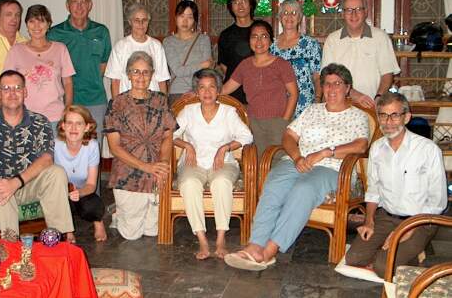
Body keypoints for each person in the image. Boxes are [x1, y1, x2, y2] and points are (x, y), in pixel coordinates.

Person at [225, 63, 369, 271]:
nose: (331, 89)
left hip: (334, 167)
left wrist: (325, 152)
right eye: (327, 84)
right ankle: (255, 244)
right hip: (300, 162)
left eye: (337, 84)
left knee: (304, 189)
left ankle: (269, 251)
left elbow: (361, 144)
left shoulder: (357, 115)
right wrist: (297, 157)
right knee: (274, 182)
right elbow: (289, 136)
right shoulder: (312, 110)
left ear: (347, 88)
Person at [345, 92, 447, 278]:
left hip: (419, 221)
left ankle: (414, 249)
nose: (388, 121)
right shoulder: (377, 148)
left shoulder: (428, 149)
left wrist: (406, 230)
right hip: (387, 216)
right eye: (383, 115)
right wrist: (369, 221)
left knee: (383, 267)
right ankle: (398, 248)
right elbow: (374, 190)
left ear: (406, 117)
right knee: (353, 258)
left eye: (394, 115)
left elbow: (437, 201)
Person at [0, 70, 75, 241]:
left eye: (17, 88)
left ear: (25, 92)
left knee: (56, 172)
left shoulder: (39, 121)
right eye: (6, 88)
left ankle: (59, 239)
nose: (12, 93)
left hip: (28, 183)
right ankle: (9, 253)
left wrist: (15, 183)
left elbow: (46, 160)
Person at [174, 69, 253, 260]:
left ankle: (220, 239)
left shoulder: (229, 112)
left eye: (211, 87)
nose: (207, 92)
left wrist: (225, 148)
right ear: (196, 91)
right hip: (194, 163)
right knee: (189, 184)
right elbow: (170, 134)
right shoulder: (188, 111)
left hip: (223, 163)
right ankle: (201, 238)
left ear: (218, 90)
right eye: (202, 87)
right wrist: (187, 145)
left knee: (221, 183)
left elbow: (247, 136)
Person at [104, 51, 176, 240]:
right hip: (128, 172)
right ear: (128, 74)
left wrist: (163, 165)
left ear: (152, 74)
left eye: (145, 72)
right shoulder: (117, 103)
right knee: (131, 235)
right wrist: (147, 167)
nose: (140, 77)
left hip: (156, 169)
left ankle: (131, 210)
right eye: (135, 72)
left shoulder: (161, 100)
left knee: (154, 231)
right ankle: (118, 214)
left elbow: (168, 136)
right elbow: (114, 147)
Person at [222, 20, 298, 157]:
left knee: (277, 162)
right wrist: (200, 92)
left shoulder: (282, 64)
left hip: (278, 122)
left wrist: (284, 121)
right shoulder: (245, 65)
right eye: (254, 36)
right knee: (256, 163)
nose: (259, 41)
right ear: (249, 41)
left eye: (264, 36)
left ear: (270, 41)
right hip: (254, 124)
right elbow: (225, 89)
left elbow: (293, 94)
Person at [48, 0, 112, 144]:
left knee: (93, 149)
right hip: (66, 102)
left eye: (83, 1)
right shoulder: (55, 34)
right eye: (75, 1)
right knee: (67, 150)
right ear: (67, 5)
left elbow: (103, 65)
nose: (79, 6)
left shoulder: (101, 31)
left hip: (96, 100)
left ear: (90, 5)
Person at [4, 4, 74, 134]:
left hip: (54, 117)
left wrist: (68, 109)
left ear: (48, 25)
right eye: (32, 21)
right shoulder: (16, 50)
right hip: (24, 117)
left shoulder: (60, 49)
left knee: (54, 154)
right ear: (26, 25)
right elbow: (6, 85)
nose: (36, 26)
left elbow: (68, 82)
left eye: (41, 21)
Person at [322, 0, 400, 109]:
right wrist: (354, 94)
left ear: (366, 12)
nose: (353, 14)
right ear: (342, 14)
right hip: (340, 106)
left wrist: (378, 97)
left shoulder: (381, 37)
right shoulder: (332, 40)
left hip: (372, 105)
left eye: (358, 9)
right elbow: (328, 77)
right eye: (349, 10)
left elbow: (387, 74)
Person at [55, 105, 107, 242]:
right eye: (69, 123)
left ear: (87, 127)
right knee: (57, 202)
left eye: (79, 124)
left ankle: (98, 222)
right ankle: (68, 230)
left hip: (83, 191)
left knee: (93, 205)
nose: (73, 128)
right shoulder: (55, 146)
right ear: (62, 126)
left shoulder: (92, 146)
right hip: (60, 193)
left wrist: (80, 193)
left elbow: (91, 184)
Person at [105, 3, 170, 98]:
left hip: (152, 102)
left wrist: (163, 104)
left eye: (144, 20)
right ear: (130, 22)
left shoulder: (156, 46)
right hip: (127, 102)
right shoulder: (120, 46)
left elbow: (162, 80)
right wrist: (117, 105)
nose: (141, 24)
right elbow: (115, 81)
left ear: (148, 22)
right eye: (137, 20)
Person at [270, 0, 322, 116]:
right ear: (280, 17)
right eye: (285, 13)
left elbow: (317, 77)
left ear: (299, 18)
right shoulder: (271, 46)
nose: (289, 16)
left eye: (294, 13)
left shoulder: (311, 44)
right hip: (278, 104)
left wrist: (317, 100)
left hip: (305, 105)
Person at [163, 0, 213, 105]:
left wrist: (196, 90)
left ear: (195, 20)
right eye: (182, 16)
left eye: (190, 17)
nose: (185, 21)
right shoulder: (168, 42)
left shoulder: (203, 39)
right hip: (177, 93)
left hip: (200, 92)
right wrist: (202, 65)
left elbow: (206, 71)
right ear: (175, 17)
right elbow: (178, 71)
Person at [217, 0, 256, 104]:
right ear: (231, 7)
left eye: (244, 1)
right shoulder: (225, 35)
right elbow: (223, 66)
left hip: (258, 89)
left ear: (250, 4)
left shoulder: (261, 30)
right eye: (235, 2)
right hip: (233, 93)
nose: (240, 5)